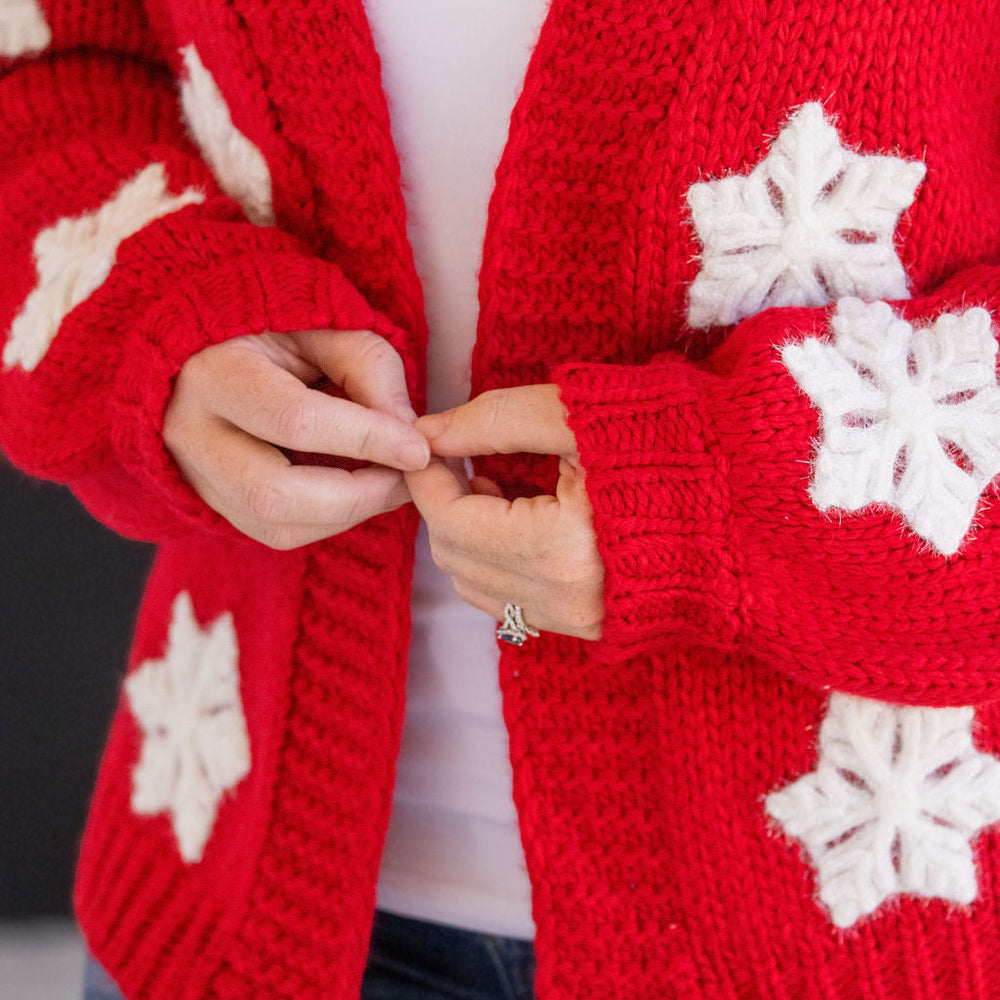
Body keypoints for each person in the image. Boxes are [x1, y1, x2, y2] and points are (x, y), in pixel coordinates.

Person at [4, 1, 1000, 998]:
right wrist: (162, 320)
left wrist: (714, 497)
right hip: (245, 877)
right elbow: (44, 78)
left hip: (855, 926)